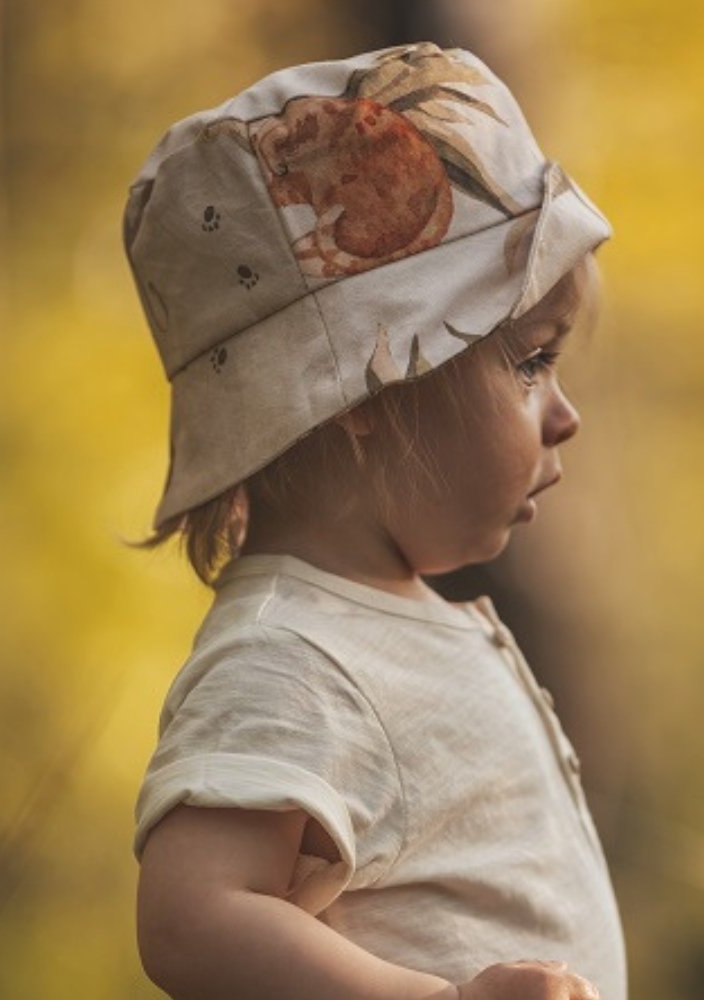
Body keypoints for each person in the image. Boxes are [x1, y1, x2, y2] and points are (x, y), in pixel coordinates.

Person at [124, 43, 621, 1000]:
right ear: (366, 383)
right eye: (528, 363)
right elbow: (192, 918)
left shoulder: (379, 624)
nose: (565, 415)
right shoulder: (292, 655)